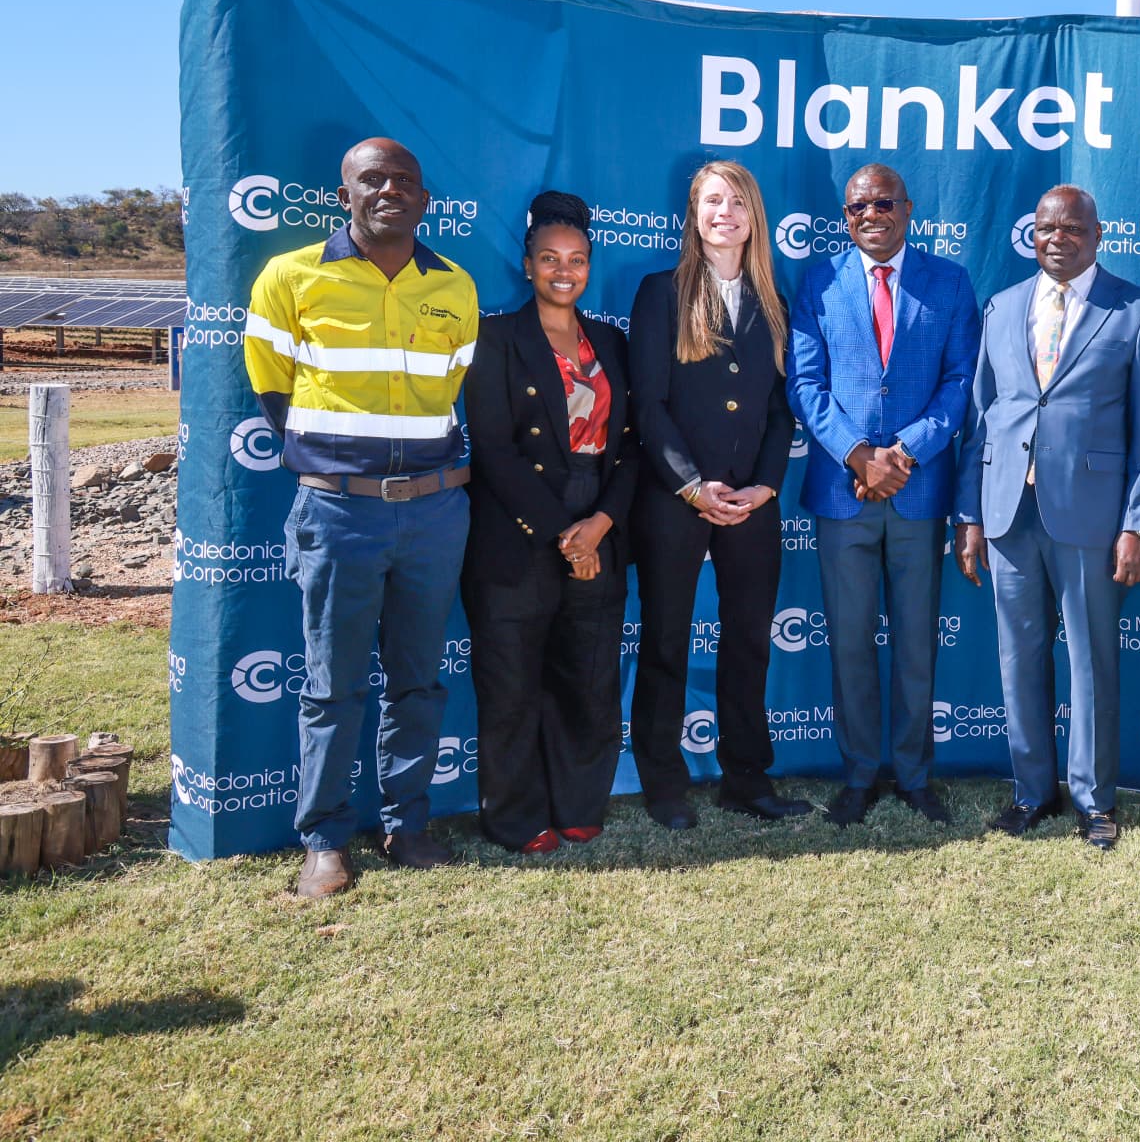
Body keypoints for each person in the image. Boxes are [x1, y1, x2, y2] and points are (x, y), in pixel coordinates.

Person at [243, 137, 477, 898]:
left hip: (435, 513)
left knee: (418, 681)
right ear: (343, 195)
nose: (389, 190)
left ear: (425, 199)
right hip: (339, 512)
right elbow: (272, 388)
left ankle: (407, 825)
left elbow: (454, 386)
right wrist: (338, 464)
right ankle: (324, 840)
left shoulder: (455, 285)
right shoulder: (291, 277)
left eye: (404, 180)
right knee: (333, 684)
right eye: (372, 179)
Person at [955, 185, 1140, 851]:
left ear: (1097, 235)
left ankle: (1094, 800)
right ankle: (1031, 792)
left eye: (1072, 228)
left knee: (1092, 660)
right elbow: (983, 419)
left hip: (1091, 516)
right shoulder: (1003, 305)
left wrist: (1137, 522)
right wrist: (970, 513)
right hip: (1009, 512)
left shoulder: (1136, 310)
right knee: (1018, 657)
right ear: (1033, 235)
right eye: (1046, 228)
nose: (1057, 239)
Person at [789, 163, 981, 826]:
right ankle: (860, 773)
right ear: (846, 217)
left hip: (918, 490)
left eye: (883, 203)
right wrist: (858, 455)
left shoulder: (949, 281)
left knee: (916, 643)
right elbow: (805, 385)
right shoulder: (818, 280)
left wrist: (904, 453)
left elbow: (960, 381)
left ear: (907, 208)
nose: (870, 214)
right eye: (857, 207)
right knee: (848, 642)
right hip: (843, 491)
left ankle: (914, 774)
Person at [628, 160, 809, 828]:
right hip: (674, 499)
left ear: (754, 216)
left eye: (736, 201)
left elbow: (781, 410)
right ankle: (663, 784)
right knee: (666, 639)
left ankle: (746, 778)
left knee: (749, 642)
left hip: (753, 504)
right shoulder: (661, 293)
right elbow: (648, 404)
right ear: (694, 214)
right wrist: (690, 485)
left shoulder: (775, 302)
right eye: (711, 201)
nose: (724, 212)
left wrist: (766, 485)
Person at [459, 192, 638, 852]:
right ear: (527, 263)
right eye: (550, 259)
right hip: (518, 528)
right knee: (511, 682)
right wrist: (567, 537)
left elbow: (633, 447)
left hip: (599, 520)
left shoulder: (612, 342)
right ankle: (515, 815)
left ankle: (579, 803)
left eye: (577, 259)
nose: (565, 271)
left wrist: (601, 525)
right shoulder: (496, 338)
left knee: (588, 677)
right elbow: (494, 450)